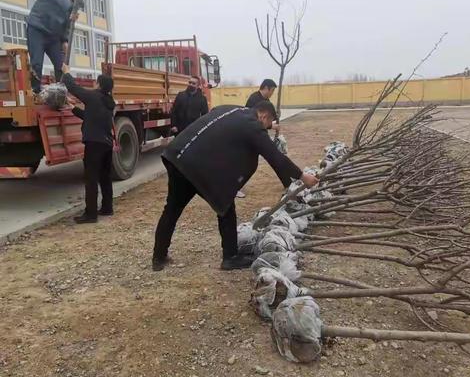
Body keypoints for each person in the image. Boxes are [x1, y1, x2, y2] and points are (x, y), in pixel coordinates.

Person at [152, 100, 318, 271]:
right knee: (225, 206)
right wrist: (302, 176)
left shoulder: (230, 109)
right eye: (267, 125)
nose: (266, 129)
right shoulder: (253, 125)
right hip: (196, 165)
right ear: (264, 116)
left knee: (172, 209)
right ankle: (230, 257)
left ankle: (158, 257)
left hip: (176, 156)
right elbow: (275, 156)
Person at [61, 66, 116, 224]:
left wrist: (66, 73)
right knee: (105, 177)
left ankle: (90, 214)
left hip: (94, 144)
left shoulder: (93, 96)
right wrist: (73, 108)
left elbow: (73, 88)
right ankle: (107, 208)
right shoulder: (108, 102)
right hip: (106, 143)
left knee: (91, 178)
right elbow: (89, 116)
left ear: (98, 84)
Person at [27, 0, 87, 93]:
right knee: (37, 63)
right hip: (37, 30)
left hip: (54, 36)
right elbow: (62, 0)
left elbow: (67, 23)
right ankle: (35, 92)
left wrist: (64, 40)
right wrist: (71, 10)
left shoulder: (71, 3)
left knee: (61, 65)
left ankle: (60, 93)